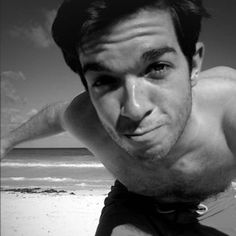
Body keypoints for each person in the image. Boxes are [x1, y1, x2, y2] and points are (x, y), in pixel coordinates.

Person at [1, 0, 236, 235]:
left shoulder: (228, 106)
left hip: (218, 202)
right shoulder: (86, 117)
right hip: (135, 205)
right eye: (104, 80)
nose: (134, 109)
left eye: (157, 67)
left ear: (193, 65)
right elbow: (54, 116)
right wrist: (5, 142)